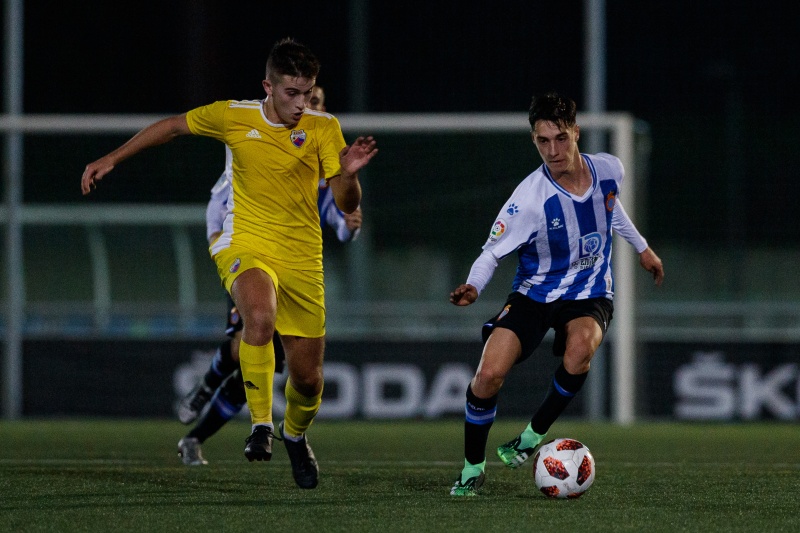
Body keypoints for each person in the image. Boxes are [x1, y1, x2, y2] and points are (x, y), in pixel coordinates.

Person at [81, 39, 378, 489]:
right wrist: (112, 157)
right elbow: (174, 127)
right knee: (257, 317)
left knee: (309, 380)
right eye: (292, 93)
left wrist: (350, 175)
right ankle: (261, 426)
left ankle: (294, 434)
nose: (302, 103)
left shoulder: (323, 128)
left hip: (302, 257)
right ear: (268, 86)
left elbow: (343, 200)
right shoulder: (235, 116)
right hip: (245, 241)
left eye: (308, 92)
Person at [448, 92, 664, 496]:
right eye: (542, 141)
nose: (552, 150)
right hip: (534, 294)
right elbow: (491, 252)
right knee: (489, 374)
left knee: (580, 349)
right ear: (534, 140)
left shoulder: (610, 169)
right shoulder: (528, 198)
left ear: (576, 132)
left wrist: (643, 248)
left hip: (589, 291)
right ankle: (472, 467)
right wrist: (474, 286)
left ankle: (532, 437)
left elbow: (611, 207)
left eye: (560, 138)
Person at [177, 86, 363, 466]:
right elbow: (220, 203)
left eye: (315, 104)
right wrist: (223, 247)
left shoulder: (321, 166)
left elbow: (340, 220)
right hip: (249, 255)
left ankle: (195, 437)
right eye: (303, 101)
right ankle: (210, 388)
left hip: (294, 268)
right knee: (251, 334)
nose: (306, 109)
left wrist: (350, 226)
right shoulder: (259, 147)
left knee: (267, 364)